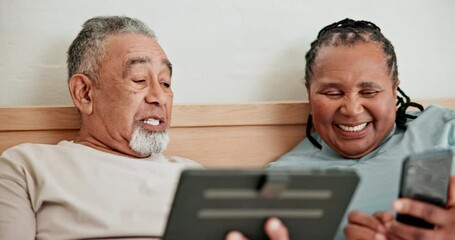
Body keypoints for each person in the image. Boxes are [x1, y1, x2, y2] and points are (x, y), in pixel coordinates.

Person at [0, 16, 286, 240]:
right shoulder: (26, 166)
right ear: (84, 93)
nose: (159, 97)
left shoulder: (194, 176)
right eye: (138, 80)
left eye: (165, 82)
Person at [267, 18, 455, 240]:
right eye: (333, 93)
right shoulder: (279, 182)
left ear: (395, 92)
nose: (352, 110)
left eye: (369, 92)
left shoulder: (445, 128)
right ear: (310, 96)